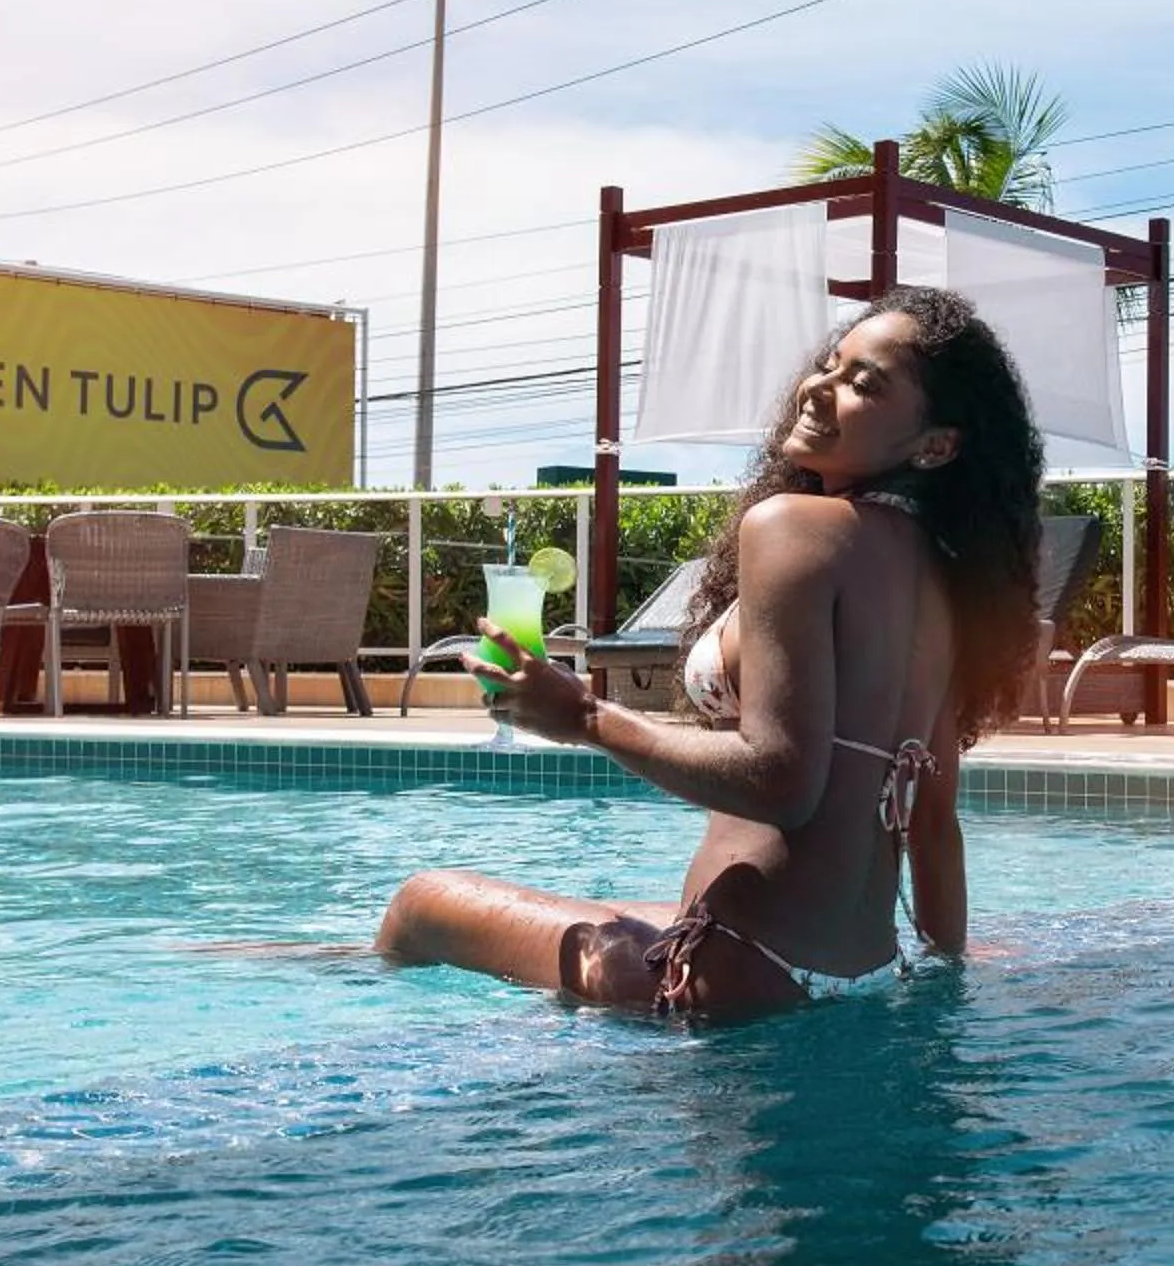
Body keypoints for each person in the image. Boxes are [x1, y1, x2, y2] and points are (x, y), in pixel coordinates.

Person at [376, 286, 1044, 1018]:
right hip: (862, 972)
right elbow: (935, 823)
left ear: (936, 444)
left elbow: (782, 781)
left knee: (420, 906)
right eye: (829, 364)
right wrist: (945, 987)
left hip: (730, 972)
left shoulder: (795, 527)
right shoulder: (948, 580)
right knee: (607, 908)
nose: (819, 389)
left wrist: (585, 718)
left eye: (864, 384)